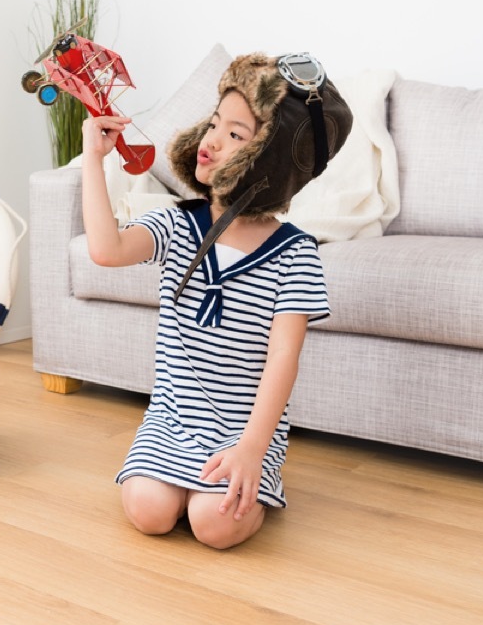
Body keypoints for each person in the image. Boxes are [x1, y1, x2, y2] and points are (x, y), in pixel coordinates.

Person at [81, 52, 353, 549]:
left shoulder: (295, 254)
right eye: (213, 124)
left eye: (235, 134)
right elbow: (107, 248)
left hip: (242, 432)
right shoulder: (177, 224)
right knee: (149, 511)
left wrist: (252, 449)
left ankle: (248, 482)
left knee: (214, 524)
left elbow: (283, 359)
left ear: (268, 158)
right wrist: (93, 160)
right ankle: (182, 482)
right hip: (173, 420)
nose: (211, 140)